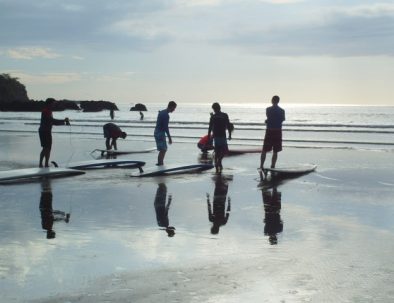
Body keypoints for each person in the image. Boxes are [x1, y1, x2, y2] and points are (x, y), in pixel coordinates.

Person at [38, 98, 70, 168]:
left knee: (47, 148)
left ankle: (44, 164)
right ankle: (42, 164)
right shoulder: (46, 111)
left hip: (45, 131)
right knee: (46, 148)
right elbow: (52, 121)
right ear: (49, 104)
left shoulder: (48, 111)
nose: (54, 105)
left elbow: (53, 122)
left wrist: (64, 122)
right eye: (53, 103)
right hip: (44, 131)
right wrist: (63, 121)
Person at [260, 95, 285, 170]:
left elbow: (269, 118)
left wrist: (267, 121)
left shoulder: (268, 109)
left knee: (264, 149)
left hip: (269, 131)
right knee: (275, 150)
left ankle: (261, 165)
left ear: (272, 100)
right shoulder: (282, 110)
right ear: (278, 101)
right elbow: (282, 119)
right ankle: (273, 166)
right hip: (277, 131)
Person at [208, 102, 232, 174]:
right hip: (222, 135)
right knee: (224, 151)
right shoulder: (224, 115)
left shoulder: (213, 116)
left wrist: (209, 135)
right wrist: (230, 134)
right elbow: (228, 125)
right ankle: (219, 162)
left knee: (217, 151)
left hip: (216, 135)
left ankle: (218, 163)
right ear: (219, 108)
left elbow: (210, 127)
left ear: (214, 109)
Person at [154, 101, 177, 166]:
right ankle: (160, 164)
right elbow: (165, 127)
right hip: (160, 133)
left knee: (162, 150)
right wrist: (169, 137)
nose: (174, 110)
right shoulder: (166, 115)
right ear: (171, 106)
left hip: (156, 132)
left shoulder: (162, 112)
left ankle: (159, 163)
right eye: (174, 108)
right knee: (163, 150)